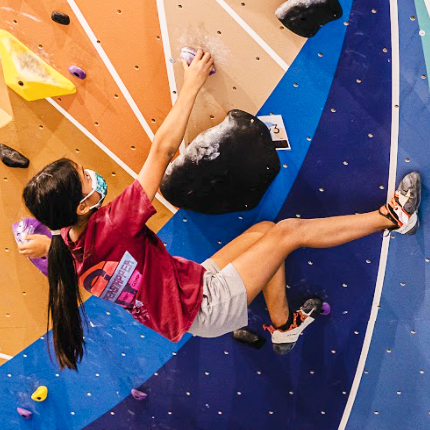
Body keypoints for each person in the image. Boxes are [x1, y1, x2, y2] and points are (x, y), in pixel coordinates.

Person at [18, 49, 422, 371]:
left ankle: (283, 328)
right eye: (86, 180)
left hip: (190, 292)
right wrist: (191, 84)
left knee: (264, 232)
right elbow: (161, 150)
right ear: (84, 205)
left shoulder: (69, 245)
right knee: (288, 232)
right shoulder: (113, 223)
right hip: (204, 305)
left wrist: (47, 241)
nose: (92, 175)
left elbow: (61, 245)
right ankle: (393, 218)